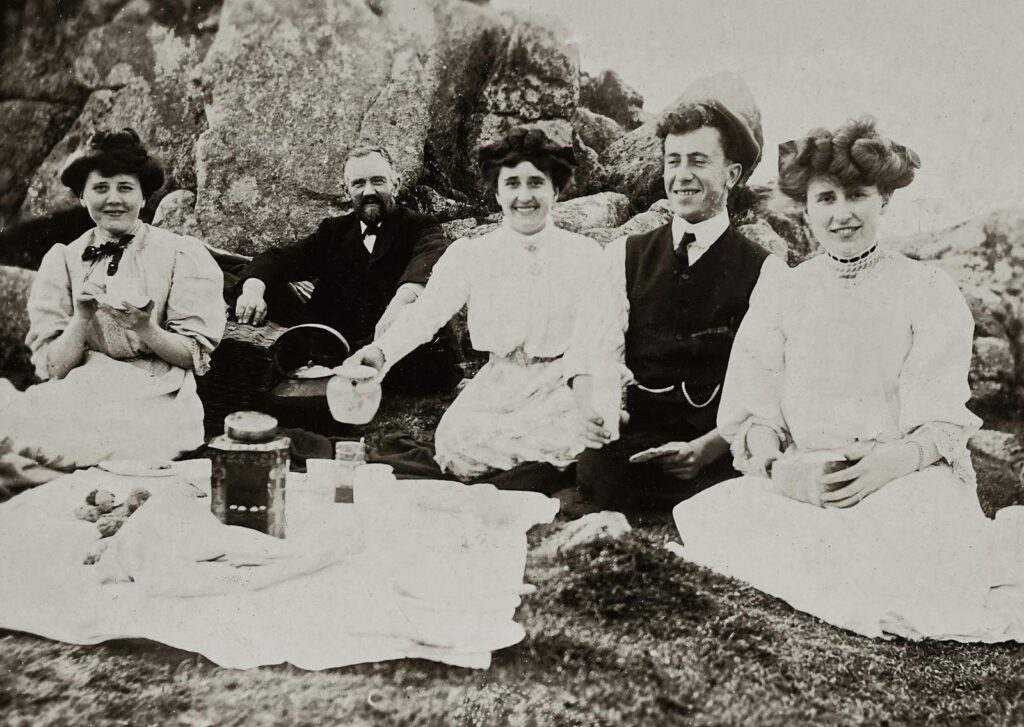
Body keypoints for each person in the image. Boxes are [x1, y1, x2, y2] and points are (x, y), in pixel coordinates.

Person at [671, 117, 1024, 641]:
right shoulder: (783, 291)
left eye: (856, 195)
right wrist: (777, 467)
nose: (842, 214)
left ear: (884, 200)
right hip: (808, 475)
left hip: (906, 475)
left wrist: (890, 463)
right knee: (715, 513)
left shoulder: (927, 290)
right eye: (826, 199)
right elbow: (756, 405)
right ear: (806, 208)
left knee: (910, 545)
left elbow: (941, 420)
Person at [346, 127, 616, 493]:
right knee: (454, 444)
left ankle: (548, 460)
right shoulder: (471, 255)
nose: (524, 196)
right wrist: (381, 353)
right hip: (499, 382)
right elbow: (426, 315)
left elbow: (598, 342)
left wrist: (593, 402)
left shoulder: (585, 255)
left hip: (564, 384)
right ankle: (540, 467)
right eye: (512, 184)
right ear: (497, 191)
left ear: (555, 190)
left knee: (580, 426)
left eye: (536, 183)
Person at [575, 76, 787, 511]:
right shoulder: (624, 255)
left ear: (731, 175)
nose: (682, 176)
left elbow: (768, 383)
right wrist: (598, 410)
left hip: (717, 443)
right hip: (634, 437)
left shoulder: (767, 271)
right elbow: (595, 350)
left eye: (697, 161)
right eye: (673, 161)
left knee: (727, 496)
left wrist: (708, 448)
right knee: (601, 474)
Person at [0, 128, 226, 467]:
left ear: (144, 196)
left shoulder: (180, 254)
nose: (113, 199)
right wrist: (81, 318)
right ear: (81, 196)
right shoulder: (63, 260)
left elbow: (192, 356)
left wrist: (146, 328)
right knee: (20, 431)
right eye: (100, 188)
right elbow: (55, 369)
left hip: (157, 392)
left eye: (125, 188)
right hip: (83, 389)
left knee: (93, 447)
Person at [230, 144, 460, 394]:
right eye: (359, 184)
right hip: (334, 345)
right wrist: (253, 290)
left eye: (378, 181)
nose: (369, 191)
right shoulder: (334, 232)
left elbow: (432, 255)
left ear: (396, 183)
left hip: (393, 351)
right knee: (247, 277)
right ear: (345, 190)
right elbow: (281, 258)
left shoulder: (420, 225)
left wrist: (402, 302)